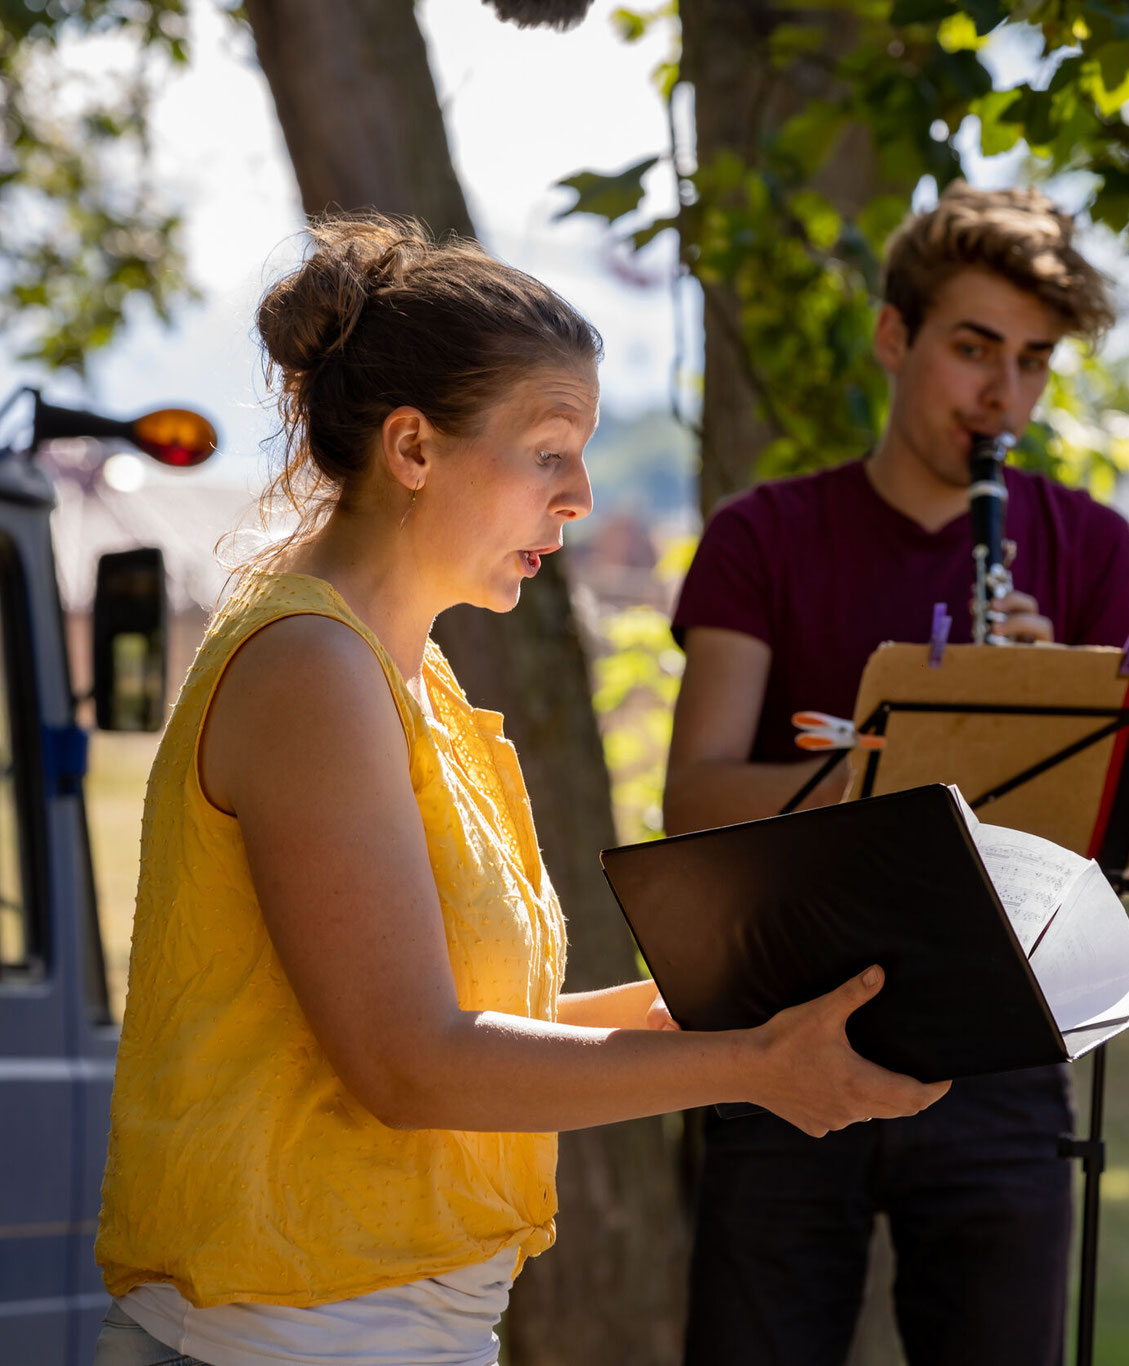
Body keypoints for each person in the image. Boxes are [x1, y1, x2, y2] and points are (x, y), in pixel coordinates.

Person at [91, 214, 947, 1366]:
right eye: (548, 450)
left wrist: (713, 1008)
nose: (581, 493)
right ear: (412, 449)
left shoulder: (404, 672)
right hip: (282, 1337)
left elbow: (481, 1028)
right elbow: (410, 1062)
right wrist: (751, 1067)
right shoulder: (311, 670)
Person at [664, 183, 1129, 1366]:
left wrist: (1059, 723)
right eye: (971, 348)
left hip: (1000, 1044)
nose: (1003, 396)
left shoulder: (1093, 552)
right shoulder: (762, 535)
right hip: (777, 1032)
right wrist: (898, 762)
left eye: (1034, 362)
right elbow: (693, 798)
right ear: (894, 338)